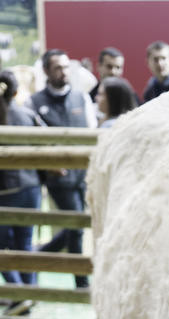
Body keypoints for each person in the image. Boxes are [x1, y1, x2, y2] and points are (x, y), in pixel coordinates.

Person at [28, 49, 97, 289]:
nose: (63, 72)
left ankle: (38, 255)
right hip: (58, 176)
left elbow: (93, 132)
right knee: (76, 225)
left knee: (76, 224)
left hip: (85, 174)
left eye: (66, 67)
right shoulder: (34, 102)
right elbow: (30, 142)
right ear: (46, 70)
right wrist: (48, 163)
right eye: (58, 67)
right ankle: (81, 283)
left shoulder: (82, 98)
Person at [0, 69, 43, 316]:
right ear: (16, 91)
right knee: (25, 243)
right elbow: (49, 142)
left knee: (3, 245)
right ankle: (31, 292)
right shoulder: (27, 114)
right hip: (30, 187)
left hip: (4, 191)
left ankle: (19, 292)